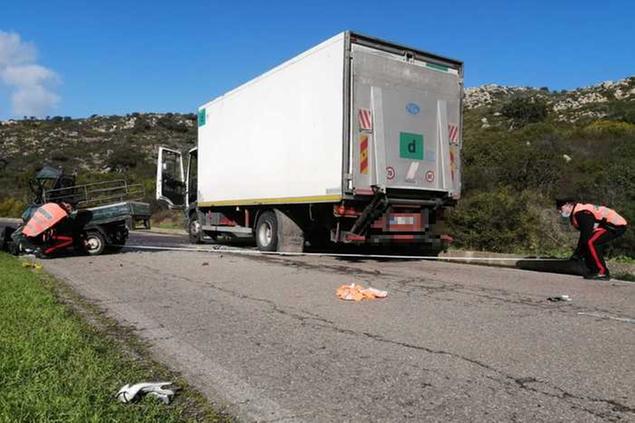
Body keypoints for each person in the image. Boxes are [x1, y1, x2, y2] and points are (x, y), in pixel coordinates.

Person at [556, 199, 628, 280]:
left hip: (614, 225)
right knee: (589, 243)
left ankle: (602, 272)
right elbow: (585, 235)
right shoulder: (577, 212)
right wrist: (578, 253)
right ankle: (593, 270)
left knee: (591, 242)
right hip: (606, 225)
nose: (559, 211)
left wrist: (577, 253)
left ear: (568, 205)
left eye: (560, 208)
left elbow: (586, 235)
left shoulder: (581, 213)